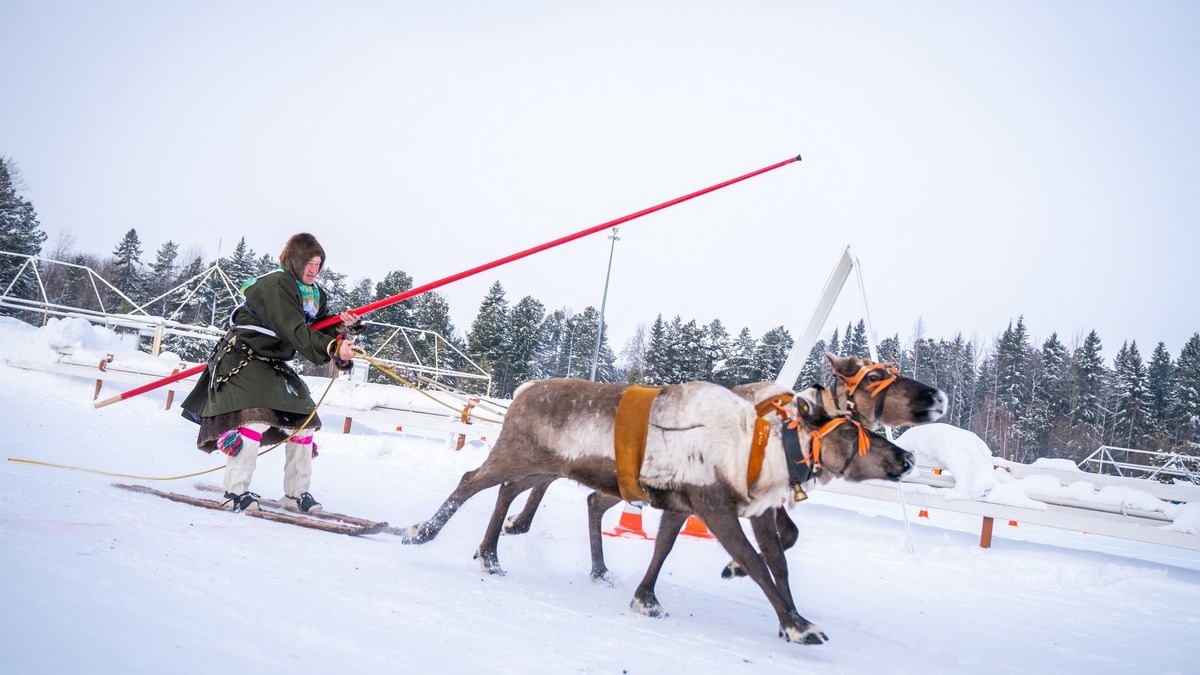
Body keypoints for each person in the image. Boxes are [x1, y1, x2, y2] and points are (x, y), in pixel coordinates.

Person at [180, 232, 363, 513]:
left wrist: (341, 327)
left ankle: (296, 494)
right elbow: (295, 331)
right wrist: (333, 347)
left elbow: (320, 326)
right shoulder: (276, 285)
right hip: (242, 360)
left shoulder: (313, 293)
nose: (314, 269)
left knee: (303, 423)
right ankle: (235, 491)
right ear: (294, 261)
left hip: (273, 364)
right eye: (308, 263)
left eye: (318, 263)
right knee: (254, 420)